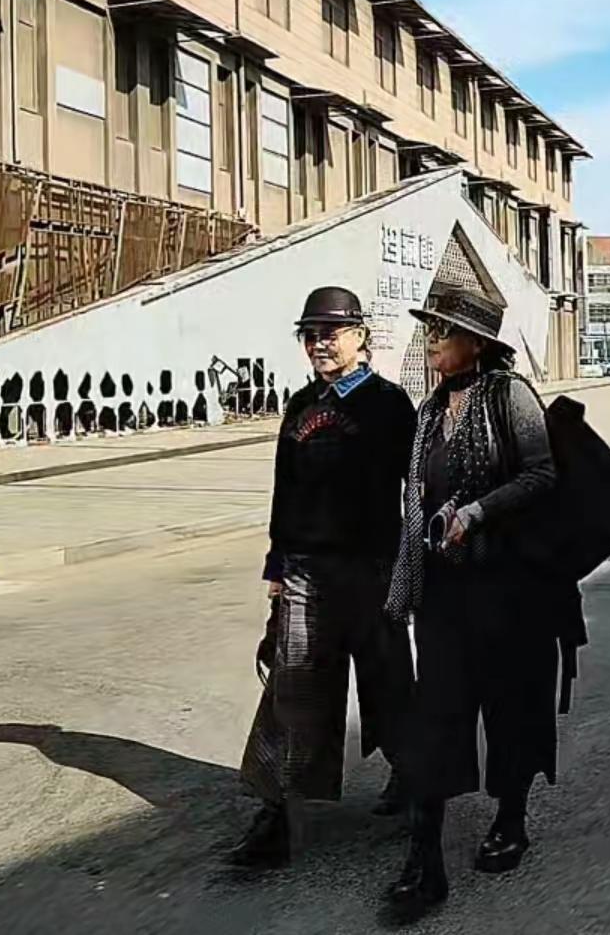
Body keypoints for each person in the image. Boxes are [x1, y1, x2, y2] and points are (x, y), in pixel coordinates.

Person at [384, 285, 564, 918]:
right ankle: (424, 859)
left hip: (507, 590)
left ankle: (511, 817)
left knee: (509, 710)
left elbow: (542, 474)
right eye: (429, 328)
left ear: (478, 343)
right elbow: (415, 497)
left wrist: (478, 512)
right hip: (443, 592)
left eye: (443, 330)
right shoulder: (430, 408)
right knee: (435, 716)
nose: (431, 339)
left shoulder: (509, 395)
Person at [230, 286, 417, 869]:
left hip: (372, 570)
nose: (319, 344)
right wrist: (276, 566)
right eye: (310, 335)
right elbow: (285, 492)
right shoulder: (300, 406)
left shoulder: (389, 404)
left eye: (330, 333)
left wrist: (411, 567)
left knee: (388, 683)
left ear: (360, 337)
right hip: (307, 571)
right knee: (294, 689)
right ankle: (278, 815)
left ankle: (414, 778)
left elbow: (416, 488)